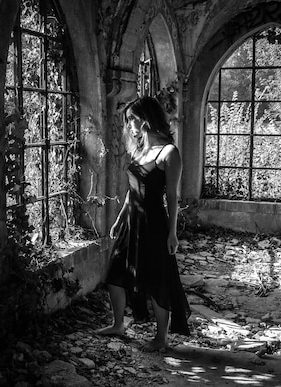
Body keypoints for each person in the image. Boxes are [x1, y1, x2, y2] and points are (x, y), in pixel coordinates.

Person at [97, 96, 191, 352]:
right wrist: (119, 219)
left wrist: (172, 233)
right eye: (128, 121)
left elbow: (171, 196)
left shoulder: (169, 153)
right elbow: (131, 191)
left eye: (132, 120)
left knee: (157, 279)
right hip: (132, 222)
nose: (129, 125)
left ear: (146, 118)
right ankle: (118, 324)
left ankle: (161, 338)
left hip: (154, 224)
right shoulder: (139, 151)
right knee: (115, 275)